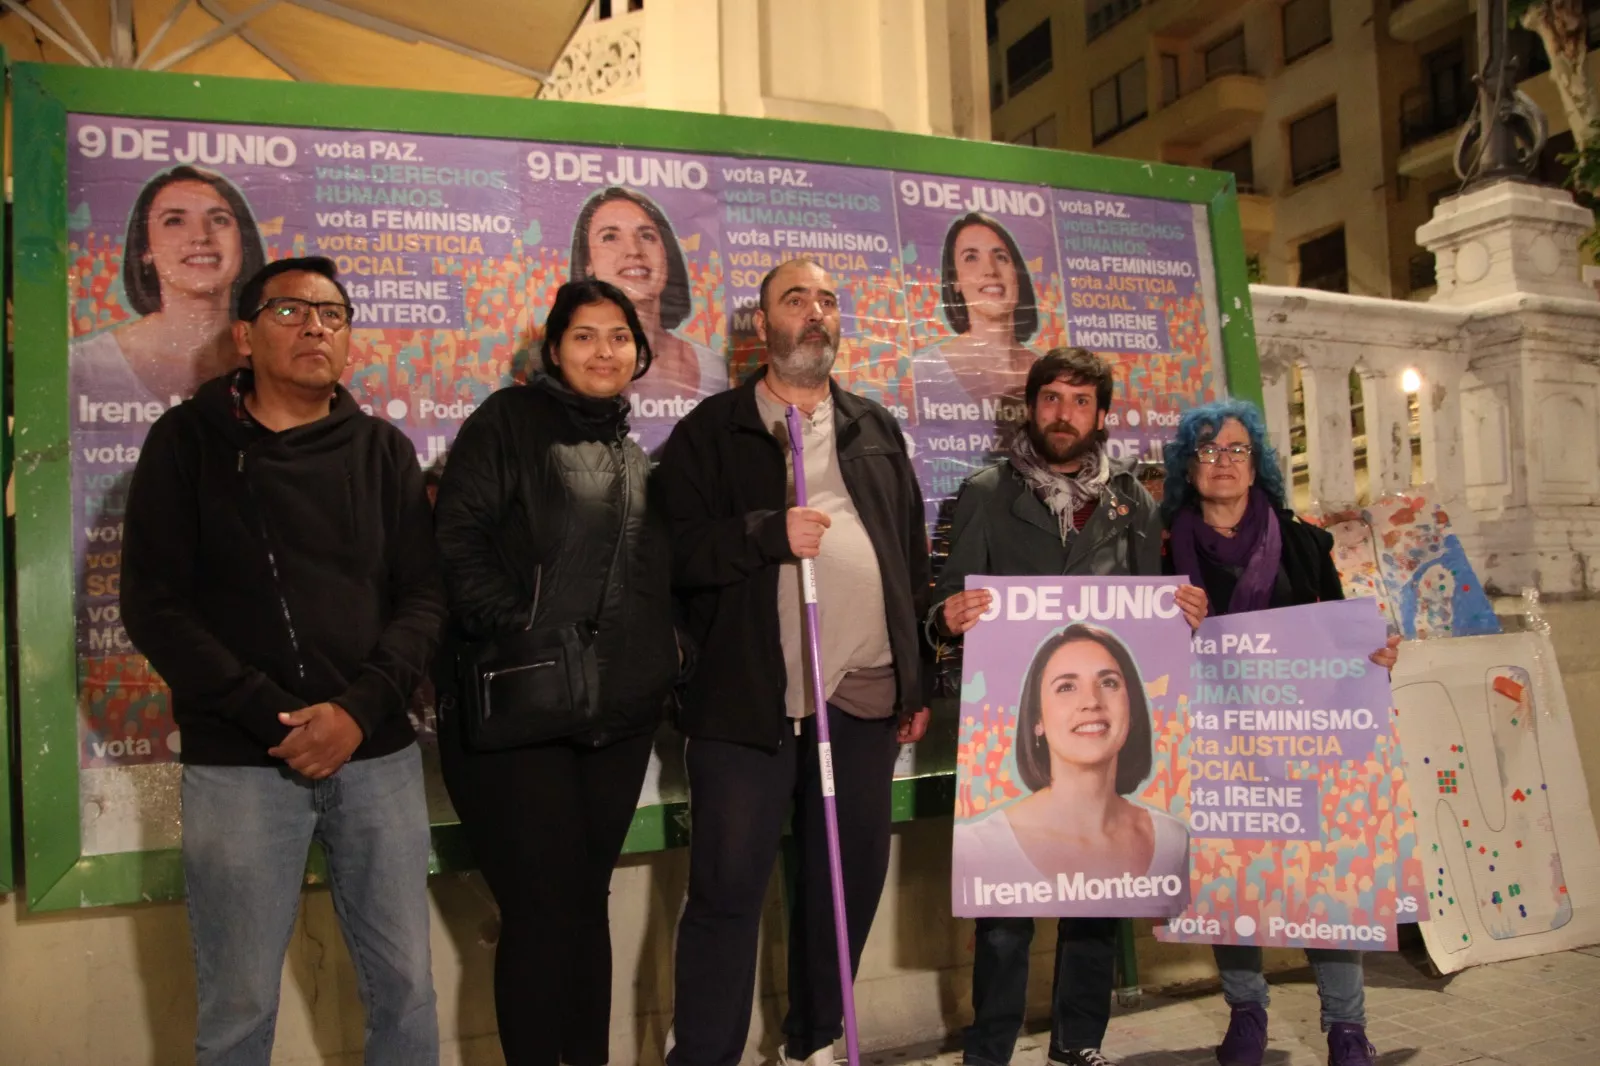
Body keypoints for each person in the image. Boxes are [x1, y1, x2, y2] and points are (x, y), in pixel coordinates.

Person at [120, 256, 445, 1066]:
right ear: (244, 335)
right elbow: (155, 606)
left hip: (375, 755)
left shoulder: (382, 450)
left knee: (406, 986)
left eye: (332, 314)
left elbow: (426, 599)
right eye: (291, 311)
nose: (315, 328)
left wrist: (357, 713)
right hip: (241, 761)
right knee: (237, 1002)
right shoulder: (187, 444)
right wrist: (272, 717)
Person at [654, 257, 932, 1066]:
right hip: (746, 701)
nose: (815, 312)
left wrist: (914, 678)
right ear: (763, 324)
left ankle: (813, 1042)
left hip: (862, 693)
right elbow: (671, 555)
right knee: (727, 889)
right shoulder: (713, 430)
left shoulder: (873, 427)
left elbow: (908, 558)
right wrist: (765, 535)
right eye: (795, 299)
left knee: (845, 883)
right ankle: (703, 1055)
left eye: (827, 301)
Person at [930, 347, 1205, 1066]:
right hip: (1005, 730)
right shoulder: (986, 492)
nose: (1064, 414)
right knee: (1004, 912)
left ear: (1102, 415)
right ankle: (989, 1050)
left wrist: (1179, 613)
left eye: (1081, 402)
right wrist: (946, 617)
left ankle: (1078, 1042)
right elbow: (946, 599)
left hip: (1096, 730)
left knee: (1098, 901)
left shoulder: (1132, 502)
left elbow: (1147, 622)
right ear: (1031, 407)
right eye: (1052, 398)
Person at [432, 279, 680, 1066]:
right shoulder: (507, 423)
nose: (604, 351)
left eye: (619, 336)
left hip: (613, 721)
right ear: (552, 349)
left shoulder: (634, 455)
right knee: (540, 912)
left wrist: (663, 664)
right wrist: (533, 639)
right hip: (521, 710)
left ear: (639, 353)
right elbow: (457, 544)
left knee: (582, 906)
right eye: (584, 335)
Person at [1160, 400, 1400, 1066]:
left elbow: (1340, 633)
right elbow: (1144, 650)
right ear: (1188, 466)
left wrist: (1373, 655)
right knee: (1228, 874)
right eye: (1208, 450)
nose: (1223, 462)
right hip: (1212, 743)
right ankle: (1247, 1014)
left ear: (1257, 462)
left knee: (1323, 876)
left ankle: (1346, 1027)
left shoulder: (1303, 542)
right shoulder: (1160, 547)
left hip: (1304, 739)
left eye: (1236, 449)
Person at [955, 624, 1189, 898]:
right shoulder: (978, 846)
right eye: (1066, 687)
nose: (1091, 702)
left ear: (1132, 707)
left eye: (1109, 683)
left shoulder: (1173, 841)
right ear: (1037, 719)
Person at [73, 165, 268, 407]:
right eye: (175, 221)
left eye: (219, 219)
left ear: (243, 242)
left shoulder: (279, 361)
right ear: (145, 248)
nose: (201, 236)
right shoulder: (83, 367)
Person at [571, 186, 725, 404]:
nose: (634, 251)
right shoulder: (570, 367)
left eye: (647, 236)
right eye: (610, 237)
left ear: (666, 252)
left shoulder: (713, 369)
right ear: (587, 262)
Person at [912, 212, 1039, 414]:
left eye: (1001, 257)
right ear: (955, 281)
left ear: (1017, 274)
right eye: (971, 257)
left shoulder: (1049, 374)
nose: (990, 270)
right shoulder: (923, 373)